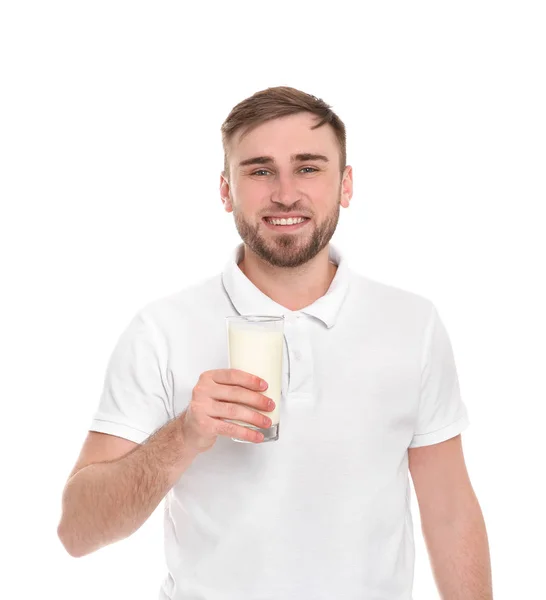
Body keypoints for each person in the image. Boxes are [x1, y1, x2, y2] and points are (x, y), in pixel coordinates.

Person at [57, 86, 493, 599]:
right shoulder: (161, 330)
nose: (286, 193)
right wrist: (184, 435)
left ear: (345, 185)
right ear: (226, 191)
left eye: (308, 168)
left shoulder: (412, 323)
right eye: (260, 171)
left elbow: (449, 513)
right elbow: (77, 532)